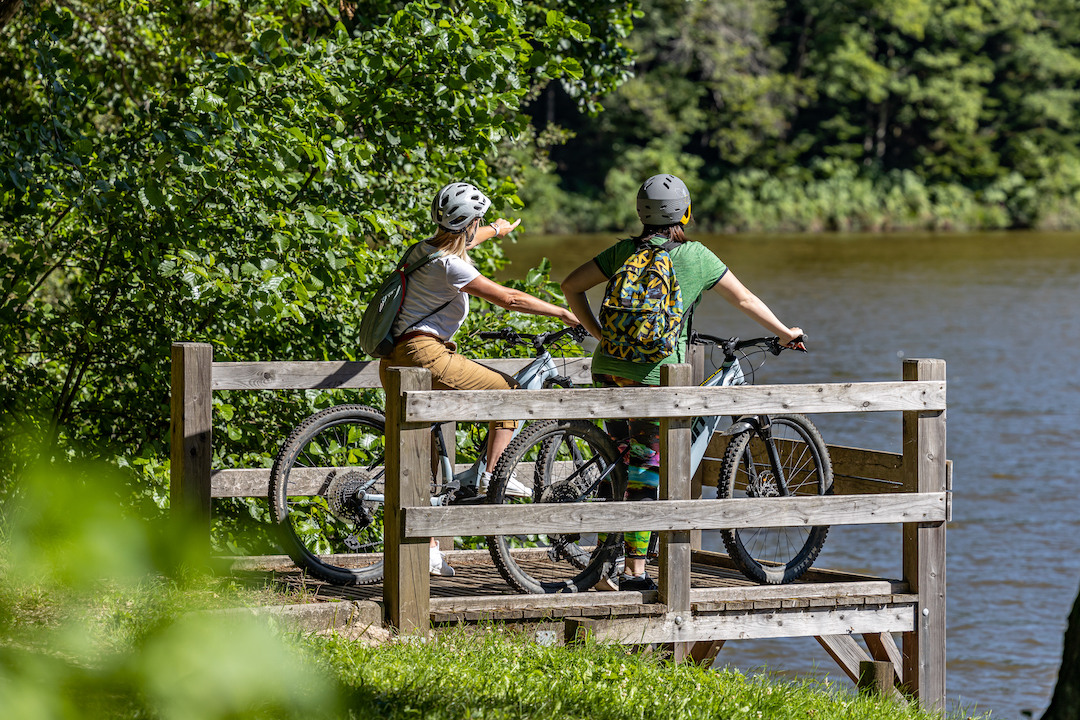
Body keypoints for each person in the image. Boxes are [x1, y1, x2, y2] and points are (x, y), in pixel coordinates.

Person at [560, 173, 805, 591]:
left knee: (621, 461)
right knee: (645, 468)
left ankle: (604, 563)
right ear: (685, 214)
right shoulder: (695, 256)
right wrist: (786, 332)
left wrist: (601, 335)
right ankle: (633, 573)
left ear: (641, 213)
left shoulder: (622, 251)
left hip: (608, 368)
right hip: (655, 376)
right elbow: (744, 298)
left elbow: (570, 286)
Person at [379, 181, 581, 577]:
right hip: (426, 354)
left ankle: (429, 546)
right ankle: (493, 478)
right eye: (480, 222)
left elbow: (462, 241)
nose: (481, 227)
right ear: (468, 224)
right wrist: (562, 312)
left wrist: (497, 231)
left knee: (420, 450)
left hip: (395, 359)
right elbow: (510, 298)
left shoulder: (424, 250)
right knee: (509, 392)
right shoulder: (452, 266)